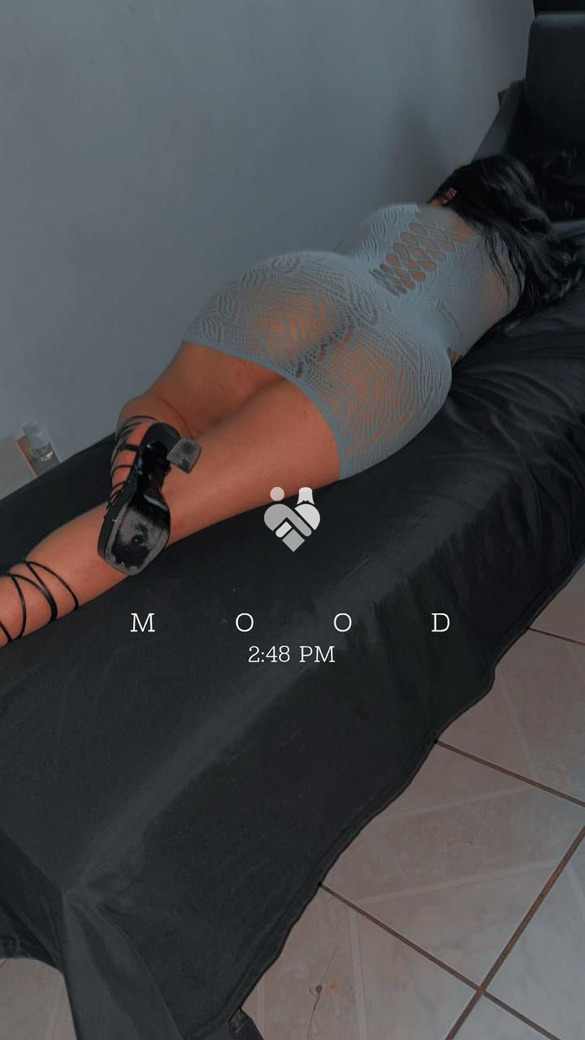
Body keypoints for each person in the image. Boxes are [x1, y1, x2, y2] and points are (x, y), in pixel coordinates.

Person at [1, 154, 584, 646]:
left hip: (310, 282)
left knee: (159, 403)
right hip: (402, 355)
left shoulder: (407, 212)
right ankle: (122, 518)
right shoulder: (519, 272)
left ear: (453, 192)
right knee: (175, 511)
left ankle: (142, 456)